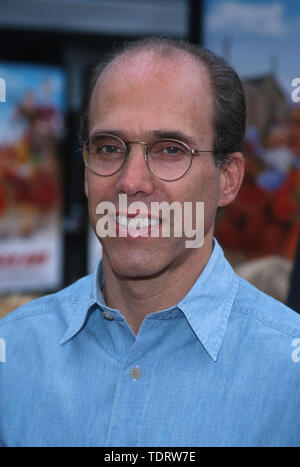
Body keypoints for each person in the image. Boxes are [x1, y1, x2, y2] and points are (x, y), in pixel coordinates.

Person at [1, 37, 300, 448]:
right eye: (108, 148)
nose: (131, 183)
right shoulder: (14, 353)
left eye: (170, 150)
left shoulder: (289, 375)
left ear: (228, 178)